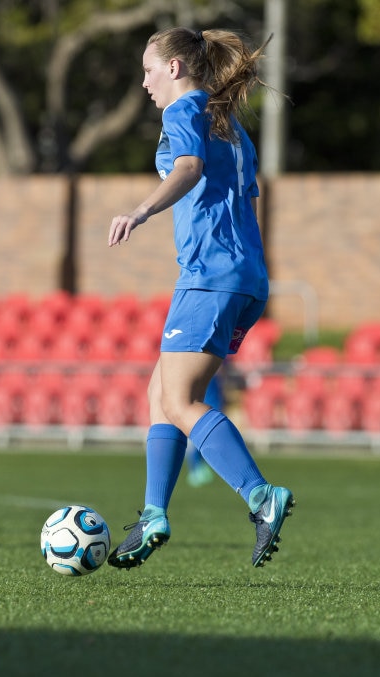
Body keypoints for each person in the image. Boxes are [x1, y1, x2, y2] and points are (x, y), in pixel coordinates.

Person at [106, 27, 294, 569]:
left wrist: (139, 212)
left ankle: (261, 497)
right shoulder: (231, 127)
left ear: (175, 69)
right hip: (239, 276)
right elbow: (245, 203)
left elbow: (187, 169)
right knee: (161, 391)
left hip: (210, 276)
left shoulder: (185, 111)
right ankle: (153, 515)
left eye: (147, 70)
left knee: (182, 400)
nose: (143, 83)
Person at [185, 375, 222, 487]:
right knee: (200, 433)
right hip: (204, 400)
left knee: (208, 432)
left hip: (211, 395)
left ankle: (199, 466)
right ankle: (195, 468)